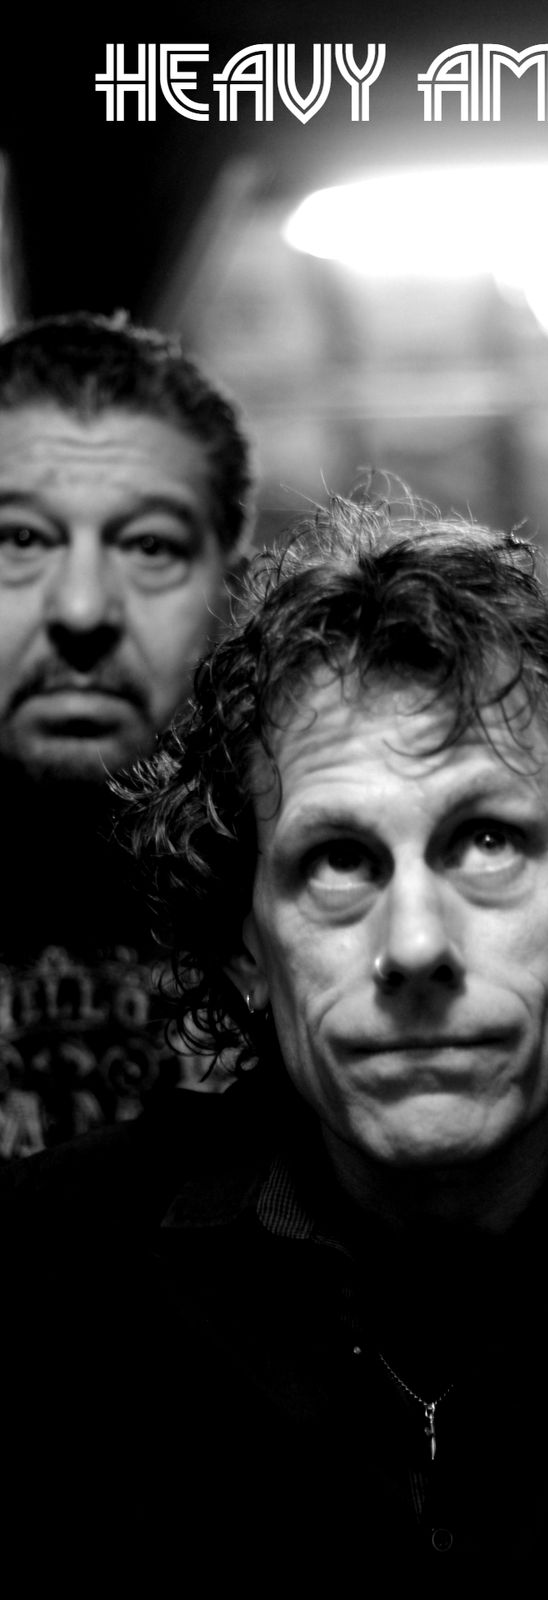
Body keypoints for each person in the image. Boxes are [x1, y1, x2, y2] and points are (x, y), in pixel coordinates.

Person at [3, 495, 548, 1580]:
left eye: (487, 839)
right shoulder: (48, 1284)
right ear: (245, 948)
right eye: (338, 860)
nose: (414, 946)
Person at [0, 310, 255, 1157]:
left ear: (231, 588)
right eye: (20, 538)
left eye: (149, 545)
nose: (82, 610)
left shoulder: (323, 880)